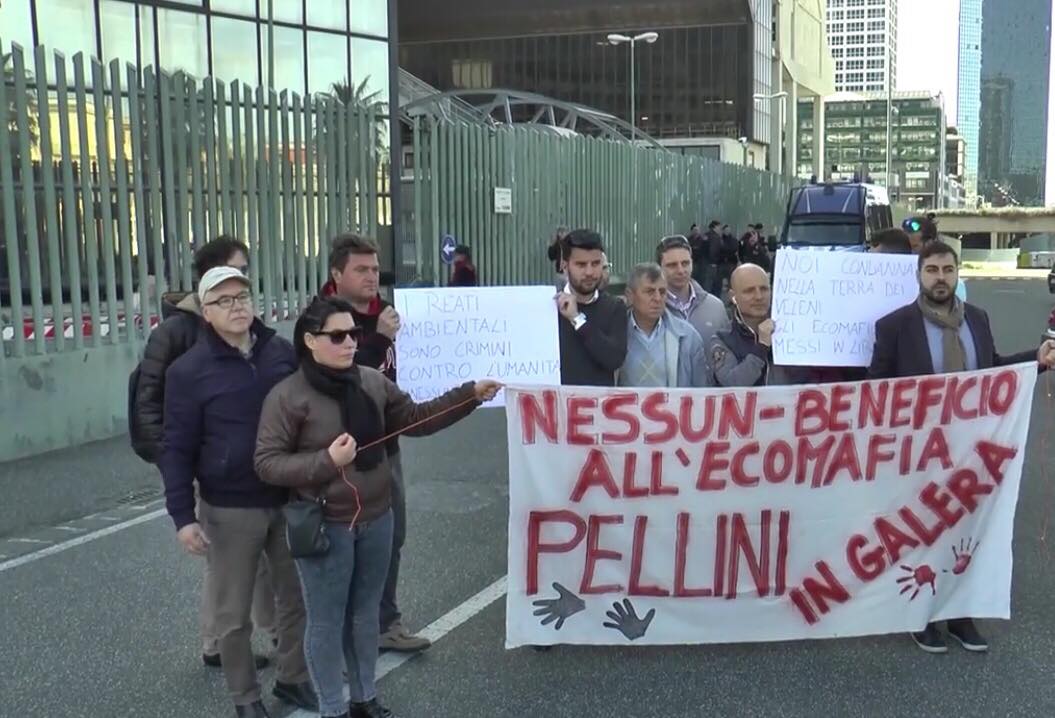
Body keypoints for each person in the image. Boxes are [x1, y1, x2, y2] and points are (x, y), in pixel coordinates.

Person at [255, 297, 501, 718]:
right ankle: (333, 707)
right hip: (324, 524)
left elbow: (416, 418)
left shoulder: (371, 381)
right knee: (327, 620)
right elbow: (267, 463)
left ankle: (364, 698)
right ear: (310, 341)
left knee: (365, 614)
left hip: (376, 517)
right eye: (338, 336)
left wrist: (469, 395)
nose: (351, 343)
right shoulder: (288, 396)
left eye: (354, 334)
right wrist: (326, 461)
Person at [869, 240, 1055, 655]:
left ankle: (960, 614)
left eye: (947, 270)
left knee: (966, 532)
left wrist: (1037, 360)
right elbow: (876, 389)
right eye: (932, 270)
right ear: (919, 275)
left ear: (957, 274)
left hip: (972, 451)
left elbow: (993, 370)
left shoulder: (978, 318)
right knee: (922, 531)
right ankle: (921, 615)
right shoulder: (894, 326)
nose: (940, 278)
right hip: (919, 453)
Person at [160, 267, 316, 718]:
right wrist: (183, 517)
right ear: (205, 312)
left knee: (295, 600)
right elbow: (176, 447)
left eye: (242, 297)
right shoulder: (188, 371)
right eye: (223, 301)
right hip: (229, 508)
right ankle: (245, 698)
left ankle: (293, 678)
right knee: (232, 614)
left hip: (287, 498)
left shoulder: (281, 353)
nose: (236, 307)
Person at [130, 236, 275, 671]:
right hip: (201, 463)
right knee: (225, 556)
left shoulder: (248, 325)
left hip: (243, 463)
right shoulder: (174, 333)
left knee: (253, 555)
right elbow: (149, 402)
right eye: (237, 269)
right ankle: (219, 642)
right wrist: (174, 464)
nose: (243, 279)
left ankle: (269, 634)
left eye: (244, 276)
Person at [321, 234, 429, 653]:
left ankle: (386, 622)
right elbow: (339, 379)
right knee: (343, 545)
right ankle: (341, 633)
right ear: (337, 274)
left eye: (374, 269)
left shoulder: (390, 313)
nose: (371, 277)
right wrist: (380, 339)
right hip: (342, 453)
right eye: (360, 270)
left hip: (387, 447)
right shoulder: (324, 320)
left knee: (391, 538)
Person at [618, 263, 710, 388]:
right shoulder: (614, 333)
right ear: (630, 295)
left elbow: (701, 391)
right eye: (649, 291)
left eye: (662, 292)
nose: (657, 298)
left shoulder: (688, 337)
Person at [557, 229, 629, 386]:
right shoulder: (550, 308)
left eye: (596, 264)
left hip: (599, 401)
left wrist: (577, 319)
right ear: (565, 266)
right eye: (581, 265)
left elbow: (614, 359)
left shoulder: (614, 308)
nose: (589, 272)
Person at [709, 264, 789, 387]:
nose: (759, 297)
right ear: (733, 297)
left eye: (764, 289)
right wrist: (761, 347)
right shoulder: (723, 339)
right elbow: (732, 384)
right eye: (749, 291)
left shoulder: (790, 329)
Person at [656, 235, 729, 349]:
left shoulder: (716, 307)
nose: (680, 270)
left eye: (685, 263)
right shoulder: (650, 309)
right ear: (659, 268)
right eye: (672, 265)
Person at [704, 220, 724, 296]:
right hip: (713, 265)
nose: (720, 229)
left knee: (707, 285)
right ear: (715, 227)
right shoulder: (715, 237)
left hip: (705, 264)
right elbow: (713, 250)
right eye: (719, 227)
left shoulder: (706, 235)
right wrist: (714, 261)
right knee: (714, 285)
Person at [718, 224, 740, 292]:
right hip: (721, 262)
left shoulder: (733, 240)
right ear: (723, 231)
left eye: (728, 230)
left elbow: (735, 249)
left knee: (731, 280)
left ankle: (731, 294)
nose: (727, 231)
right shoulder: (720, 239)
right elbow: (718, 250)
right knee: (719, 280)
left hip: (731, 262)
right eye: (726, 230)